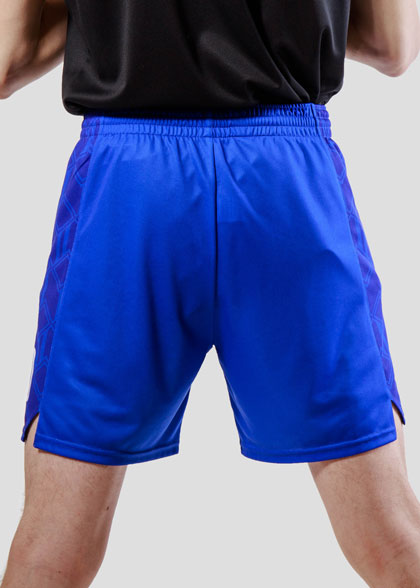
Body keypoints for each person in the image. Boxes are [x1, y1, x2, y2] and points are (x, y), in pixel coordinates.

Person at [1, 0, 420, 586]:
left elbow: (8, 58)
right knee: (396, 543)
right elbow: (393, 47)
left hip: (129, 186)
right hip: (285, 180)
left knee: (50, 554)